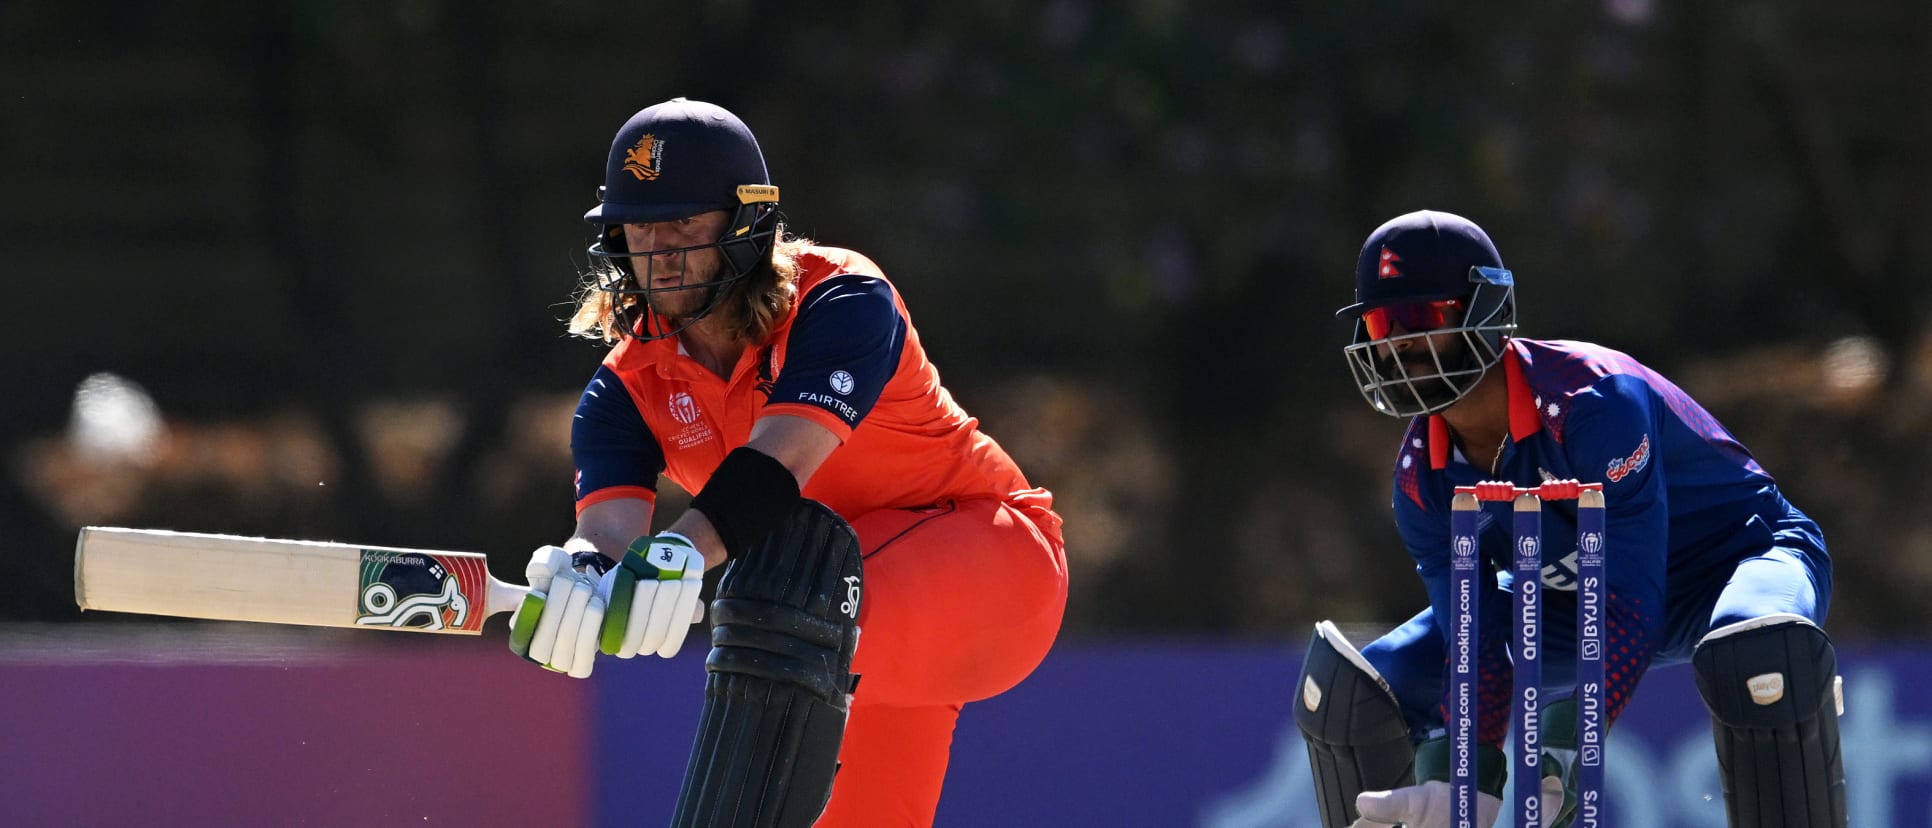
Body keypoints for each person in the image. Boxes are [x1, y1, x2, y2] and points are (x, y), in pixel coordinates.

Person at [507, 97, 1068, 827]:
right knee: (793, 602)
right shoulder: (623, 388)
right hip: (854, 634)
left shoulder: (841, 298)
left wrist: (678, 554)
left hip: (992, 568)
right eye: (641, 227)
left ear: (745, 225)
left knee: (778, 591)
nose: (660, 250)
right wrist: (582, 578)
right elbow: (607, 535)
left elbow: (778, 468)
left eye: (684, 222)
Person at [1294, 210, 1845, 828]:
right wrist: (1463, 776)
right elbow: (1474, 641)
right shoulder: (1420, 482)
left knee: (1759, 656)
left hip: (1734, 562)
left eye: (1422, 319)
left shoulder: (1595, 405)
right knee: (1353, 696)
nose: (1401, 344)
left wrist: (1564, 746)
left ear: (1484, 308)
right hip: (1569, 599)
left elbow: (1633, 603)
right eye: (1381, 323)